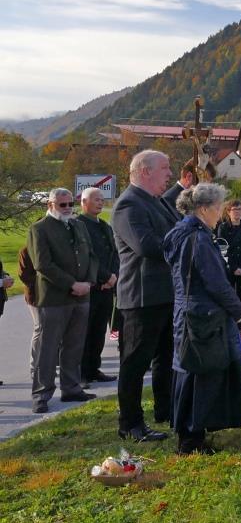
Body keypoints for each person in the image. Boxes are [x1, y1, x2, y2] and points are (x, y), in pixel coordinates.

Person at [162, 183, 241, 455]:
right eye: (217, 207)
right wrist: (237, 308)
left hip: (189, 314)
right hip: (203, 316)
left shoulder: (180, 233)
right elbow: (215, 282)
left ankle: (192, 436)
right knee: (201, 376)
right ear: (203, 209)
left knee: (190, 372)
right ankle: (191, 441)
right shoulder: (198, 239)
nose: (220, 213)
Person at [112, 150, 190, 442]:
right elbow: (148, 246)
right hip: (142, 298)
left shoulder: (157, 201)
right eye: (165, 168)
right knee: (135, 363)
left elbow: (178, 231)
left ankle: (165, 410)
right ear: (145, 171)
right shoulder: (128, 205)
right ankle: (130, 423)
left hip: (165, 294)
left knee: (166, 357)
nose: (170, 174)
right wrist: (184, 246)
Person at [26, 188, 98, 413]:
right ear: (50, 205)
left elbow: (91, 256)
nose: (67, 208)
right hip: (54, 298)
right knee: (47, 349)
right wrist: (72, 284)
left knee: (74, 345)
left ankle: (71, 388)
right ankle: (41, 394)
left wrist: (89, 282)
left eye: (70, 204)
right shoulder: (39, 229)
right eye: (62, 205)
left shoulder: (78, 225)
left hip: (82, 295)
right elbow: (42, 264)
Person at [78, 187, 118, 383]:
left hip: (107, 287)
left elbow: (114, 253)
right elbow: (86, 256)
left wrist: (114, 277)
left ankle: (94, 368)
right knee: (84, 332)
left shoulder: (104, 225)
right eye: (96, 199)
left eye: (102, 200)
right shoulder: (78, 225)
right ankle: (82, 373)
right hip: (90, 287)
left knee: (99, 330)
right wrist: (103, 278)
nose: (100, 203)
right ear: (84, 202)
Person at [215, 199, 241, 340]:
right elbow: (223, 249)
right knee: (229, 298)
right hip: (229, 268)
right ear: (228, 211)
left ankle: (239, 329)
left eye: (239, 209)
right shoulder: (223, 228)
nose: (237, 212)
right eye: (234, 209)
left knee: (240, 298)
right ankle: (228, 328)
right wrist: (233, 268)